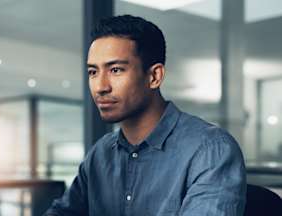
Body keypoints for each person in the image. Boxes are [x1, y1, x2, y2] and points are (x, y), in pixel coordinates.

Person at [43, 15, 246, 216]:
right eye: (93, 72)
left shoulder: (211, 150)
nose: (100, 87)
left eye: (115, 70)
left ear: (154, 76)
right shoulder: (101, 154)